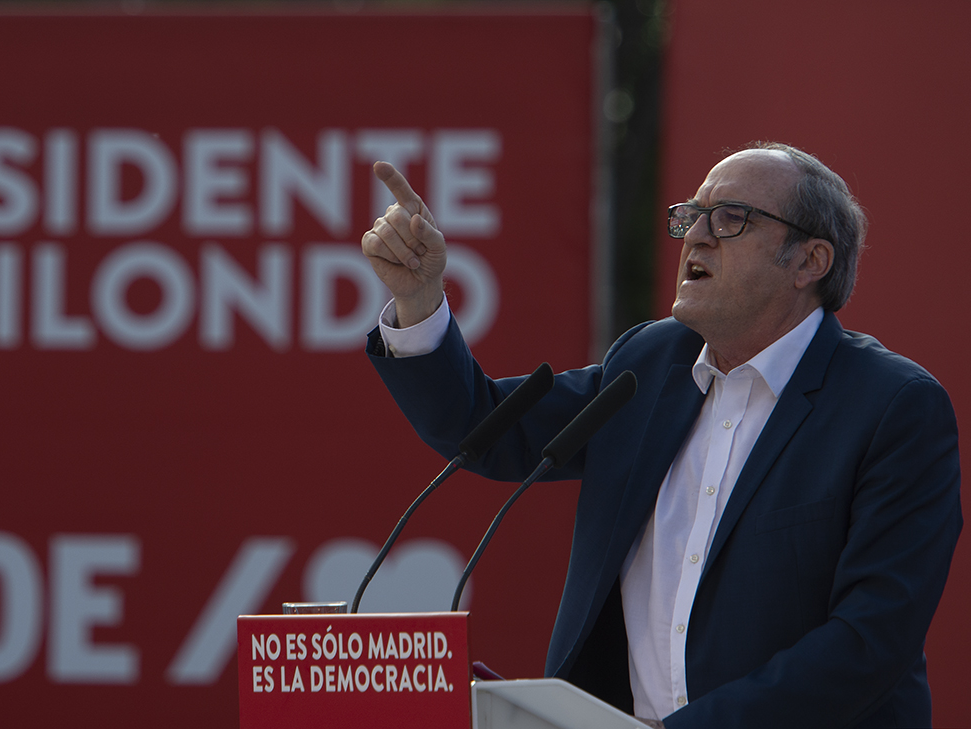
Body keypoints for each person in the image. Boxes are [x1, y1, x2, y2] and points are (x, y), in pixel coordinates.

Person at [361, 142, 962, 728]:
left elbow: (868, 644)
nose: (696, 236)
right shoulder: (649, 363)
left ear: (810, 262)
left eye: (731, 218)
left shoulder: (893, 407)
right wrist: (419, 298)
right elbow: (483, 428)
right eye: (691, 216)